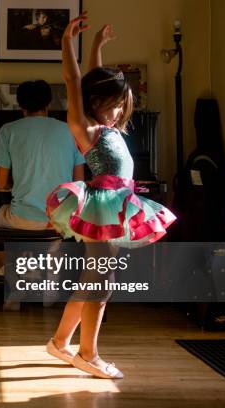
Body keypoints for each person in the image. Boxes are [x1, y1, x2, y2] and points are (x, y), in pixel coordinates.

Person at [44, 13, 176, 379]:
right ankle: (89, 354)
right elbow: (75, 82)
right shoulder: (84, 127)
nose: (120, 110)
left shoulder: (107, 125)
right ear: (95, 101)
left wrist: (98, 47)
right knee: (102, 284)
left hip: (118, 207)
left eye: (122, 104)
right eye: (114, 103)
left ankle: (59, 342)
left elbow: (91, 81)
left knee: (92, 280)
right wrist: (66, 42)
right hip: (101, 207)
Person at [0, 79, 86, 310]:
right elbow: (79, 183)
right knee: (56, 229)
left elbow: (0, 183)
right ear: (49, 103)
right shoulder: (69, 130)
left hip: (23, 217)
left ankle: (17, 282)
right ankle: (50, 287)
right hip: (58, 219)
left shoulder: (8, 130)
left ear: (20, 104)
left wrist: (20, 182)